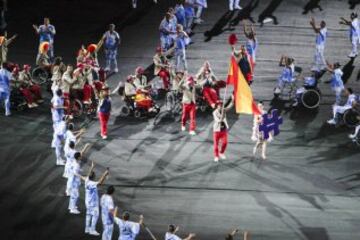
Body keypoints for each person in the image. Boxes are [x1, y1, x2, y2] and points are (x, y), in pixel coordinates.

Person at [77, 162, 109, 236]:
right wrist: (105, 174)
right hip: (93, 203)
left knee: (88, 215)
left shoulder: (87, 180)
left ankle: (87, 228)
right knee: (95, 216)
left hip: (87, 202)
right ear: (93, 177)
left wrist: (92, 167)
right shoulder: (92, 183)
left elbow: (88, 175)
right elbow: (100, 182)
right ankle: (92, 230)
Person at [213, 97, 234, 162]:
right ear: (217, 106)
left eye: (221, 105)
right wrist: (222, 117)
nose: (220, 106)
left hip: (223, 130)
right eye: (219, 105)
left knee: (225, 143)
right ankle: (216, 156)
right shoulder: (214, 112)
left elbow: (230, 107)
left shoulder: (224, 110)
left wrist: (232, 101)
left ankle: (221, 153)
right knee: (216, 145)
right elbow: (218, 120)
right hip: (216, 131)